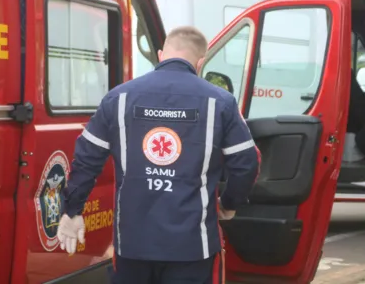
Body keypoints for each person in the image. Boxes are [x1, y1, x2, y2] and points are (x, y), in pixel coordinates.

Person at [57, 26, 261, 284]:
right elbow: (247, 164)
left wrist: (72, 210)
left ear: (161, 54)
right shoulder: (220, 102)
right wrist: (229, 205)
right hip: (192, 247)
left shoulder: (117, 98)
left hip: (132, 245)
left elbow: (86, 159)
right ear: (200, 62)